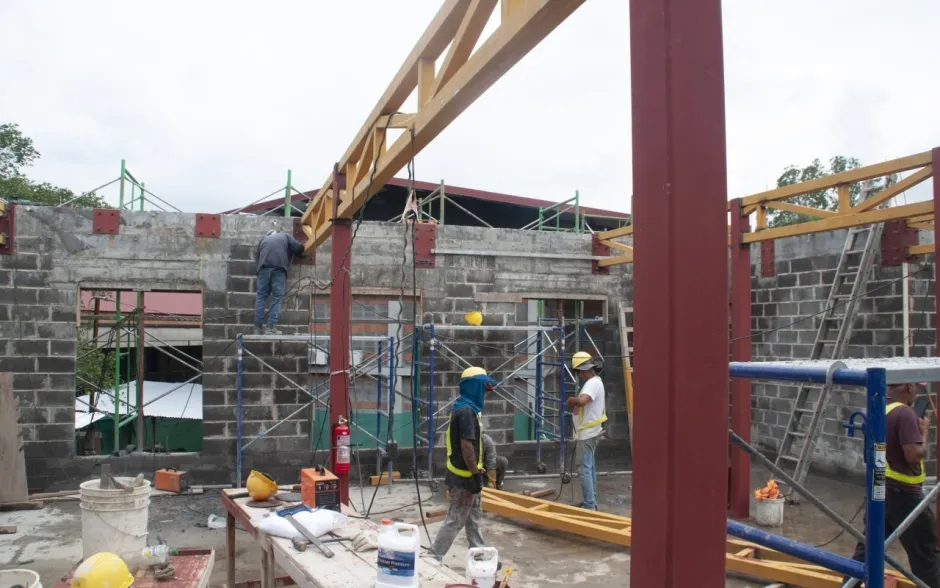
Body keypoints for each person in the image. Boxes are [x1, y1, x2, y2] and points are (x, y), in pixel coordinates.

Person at [848, 382, 940, 587]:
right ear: (909, 388)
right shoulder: (905, 413)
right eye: (915, 387)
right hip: (905, 493)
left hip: (882, 489)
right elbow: (913, 456)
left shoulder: (881, 410)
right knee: (926, 554)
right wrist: (924, 432)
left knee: (868, 551)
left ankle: (849, 584)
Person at [431, 366, 495, 561]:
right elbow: (466, 446)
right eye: (484, 389)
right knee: (455, 520)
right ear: (475, 387)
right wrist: (476, 474)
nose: (485, 393)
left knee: (474, 517)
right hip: (464, 478)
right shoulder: (466, 411)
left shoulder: (464, 406)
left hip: (466, 475)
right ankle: (434, 557)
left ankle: (479, 555)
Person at [566, 351, 606, 511]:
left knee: (584, 470)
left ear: (583, 370)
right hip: (590, 432)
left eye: (578, 372)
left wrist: (571, 400)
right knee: (589, 468)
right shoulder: (595, 382)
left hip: (587, 433)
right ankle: (591, 501)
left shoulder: (592, 383)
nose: (579, 375)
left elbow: (582, 401)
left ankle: (589, 505)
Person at [253, 230, 304, 335]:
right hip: (278, 267)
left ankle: (257, 327)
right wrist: (302, 252)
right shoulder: (285, 235)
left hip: (263, 268)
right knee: (277, 296)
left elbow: (257, 259)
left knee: (261, 295)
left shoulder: (263, 240)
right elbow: (298, 247)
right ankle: (271, 327)